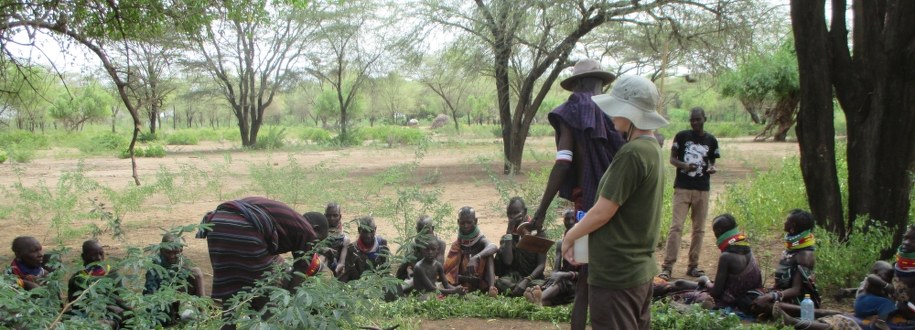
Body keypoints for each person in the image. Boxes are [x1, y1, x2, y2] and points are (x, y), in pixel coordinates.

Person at [560, 75, 668, 329]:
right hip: (637, 269)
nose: (610, 114)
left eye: (617, 108)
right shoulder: (652, 149)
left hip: (616, 275)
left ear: (630, 113)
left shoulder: (632, 153)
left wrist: (570, 237)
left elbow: (603, 211)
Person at [527, 58, 625, 329]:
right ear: (601, 83)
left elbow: (563, 162)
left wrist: (540, 212)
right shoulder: (619, 114)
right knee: (616, 279)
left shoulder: (571, 112)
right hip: (621, 204)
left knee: (585, 280)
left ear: (578, 83)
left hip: (589, 207)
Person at [196, 197, 323, 310]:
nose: (316, 247)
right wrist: (287, 301)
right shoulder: (309, 233)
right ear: (316, 229)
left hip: (217, 223)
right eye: (320, 241)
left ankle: (230, 321)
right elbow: (299, 270)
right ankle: (262, 320)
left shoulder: (294, 222)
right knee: (267, 294)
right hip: (244, 226)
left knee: (230, 297)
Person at [660, 106, 720, 280]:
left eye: (697, 119)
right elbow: (672, 159)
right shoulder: (681, 136)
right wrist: (685, 166)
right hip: (683, 187)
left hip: (702, 188)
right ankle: (668, 266)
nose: (694, 122)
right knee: (676, 227)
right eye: (692, 120)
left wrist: (711, 169)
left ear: (704, 119)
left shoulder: (711, 140)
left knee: (699, 229)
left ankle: (693, 266)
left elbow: (711, 163)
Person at [753, 209, 822, 310]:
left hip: (800, 302)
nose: (784, 222)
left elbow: (796, 290)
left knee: (765, 305)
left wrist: (772, 296)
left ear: (792, 226)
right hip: (783, 295)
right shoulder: (793, 249)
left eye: (786, 220)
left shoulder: (804, 255)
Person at [143, 233, 206, 326]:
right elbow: (150, 293)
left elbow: (189, 277)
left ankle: (203, 312)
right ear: (161, 250)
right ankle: (170, 317)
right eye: (168, 252)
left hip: (176, 296)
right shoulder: (155, 265)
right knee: (162, 321)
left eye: (176, 252)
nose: (172, 256)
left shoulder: (181, 261)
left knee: (196, 272)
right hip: (159, 302)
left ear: (181, 250)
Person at [67, 240, 131, 326]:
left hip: (112, 314)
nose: (99, 258)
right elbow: (76, 304)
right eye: (94, 255)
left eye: (101, 254)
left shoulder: (112, 274)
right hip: (87, 314)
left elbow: (122, 299)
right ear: (83, 257)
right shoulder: (78, 278)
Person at [495, 197, 546, 296]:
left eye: (516, 212)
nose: (512, 216)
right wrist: (509, 231)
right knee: (501, 283)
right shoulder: (508, 236)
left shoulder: (537, 232)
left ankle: (521, 292)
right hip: (515, 277)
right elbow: (508, 261)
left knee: (541, 286)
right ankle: (525, 293)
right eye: (510, 213)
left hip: (533, 278)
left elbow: (541, 265)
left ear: (525, 211)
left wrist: (527, 280)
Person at [444, 206, 498, 294]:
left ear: (476, 221)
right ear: (458, 222)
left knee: (489, 255)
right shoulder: (457, 245)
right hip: (462, 282)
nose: (466, 226)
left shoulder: (481, 240)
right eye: (462, 223)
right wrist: (467, 279)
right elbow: (449, 273)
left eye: (469, 222)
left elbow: (493, 247)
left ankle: (492, 288)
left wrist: (476, 257)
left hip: (481, 281)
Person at [537, 209, 579, 306]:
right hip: (563, 280)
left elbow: (585, 274)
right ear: (563, 221)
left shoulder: (582, 244)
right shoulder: (561, 243)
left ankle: (539, 298)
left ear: (577, 221)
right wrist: (554, 276)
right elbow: (556, 269)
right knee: (549, 283)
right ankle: (539, 300)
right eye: (567, 219)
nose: (570, 222)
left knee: (562, 282)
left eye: (572, 219)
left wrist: (564, 275)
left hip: (576, 282)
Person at [339, 216, 390, 282]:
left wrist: (385, 259)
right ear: (359, 230)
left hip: (378, 284)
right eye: (365, 231)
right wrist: (352, 264)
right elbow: (352, 278)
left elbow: (386, 272)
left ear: (375, 229)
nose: (368, 235)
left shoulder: (382, 244)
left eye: (371, 231)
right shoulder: (352, 249)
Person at [396, 215, 446, 280]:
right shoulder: (414, 243)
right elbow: (408, 263)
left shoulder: (440, 243)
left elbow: (437, 268)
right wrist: (409, 270)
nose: (423, 234)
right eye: (420, 230)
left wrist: (410, 270)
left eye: (426, 230)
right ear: (416, 229)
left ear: (432, 228)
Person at [323, 202, 350, 278]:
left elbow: (342, 262)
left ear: (340, 217)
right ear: (324, 216)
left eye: (335, 215)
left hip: (335, 267)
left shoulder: (344, 238)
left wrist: (338, 268)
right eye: (328, 216)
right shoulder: (320, 231)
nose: (332, 218)